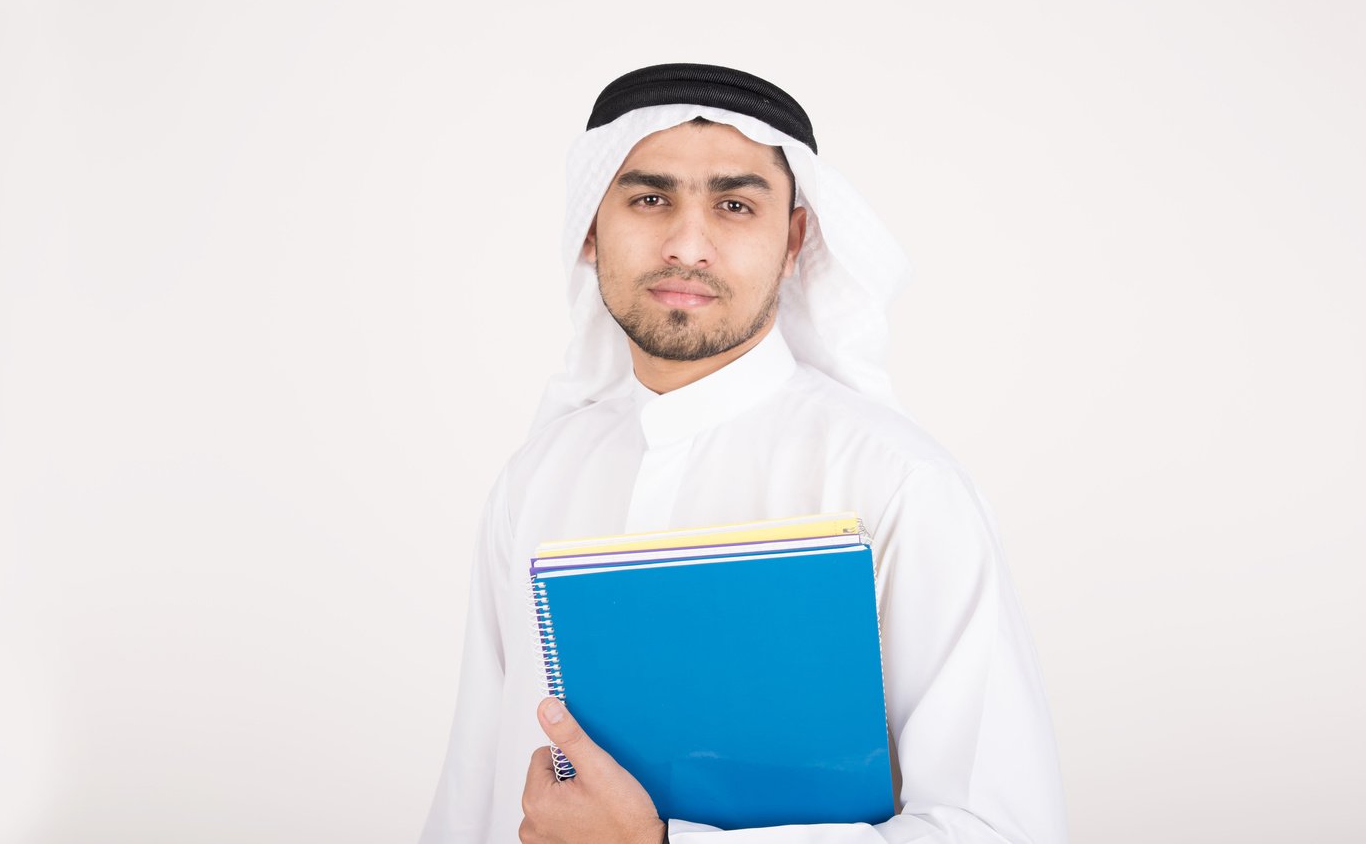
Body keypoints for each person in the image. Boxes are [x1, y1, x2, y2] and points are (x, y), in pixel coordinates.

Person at [420, 64, 1067, 843]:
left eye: (734, 204)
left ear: (794, 238)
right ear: (591, 230)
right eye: (649, 197)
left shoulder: (899, 485)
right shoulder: (537, 479)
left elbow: (998, 828)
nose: (686, 244)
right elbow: (476, 796)